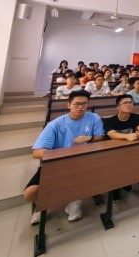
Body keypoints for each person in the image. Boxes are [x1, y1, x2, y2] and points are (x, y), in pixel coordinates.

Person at [24, 90, 105, 225]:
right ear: (69, 105)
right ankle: (42, 203)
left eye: (84, 104)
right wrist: (64, 156)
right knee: (30, 193)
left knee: (88, 174)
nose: (80, 107)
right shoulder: (55, 124)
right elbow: (37, 152)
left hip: (84, 161)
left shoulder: (94, 118)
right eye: (77, 104)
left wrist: (90, 138)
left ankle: (74, 199)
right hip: (58, 163)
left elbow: (100, 137)